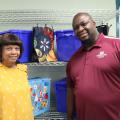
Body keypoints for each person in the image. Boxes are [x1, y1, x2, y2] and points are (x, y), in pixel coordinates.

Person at [66, 12, 120, 120]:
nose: (80, 29)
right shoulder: (73, 60)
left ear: (94, 24)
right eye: (76, 28)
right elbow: (71, 91)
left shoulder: (116, 45)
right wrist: (69, 117)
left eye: (84, 24)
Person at [0, 33, 34, 120]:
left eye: (17, 48)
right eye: (9, 49)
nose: (14, 52)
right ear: (1, 51)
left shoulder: (23, 70)